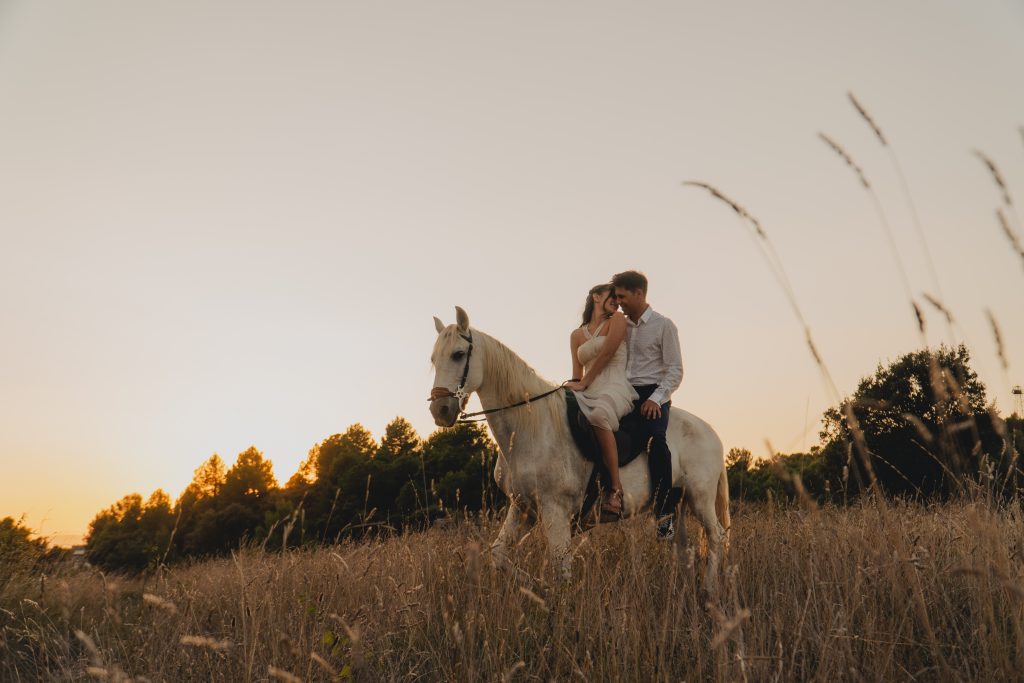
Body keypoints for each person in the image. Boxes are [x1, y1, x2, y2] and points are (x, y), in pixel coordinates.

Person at [611, 270, 684, 540]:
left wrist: (656, 398)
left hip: (653, 393)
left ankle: (664, 519)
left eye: (622, 296)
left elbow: (675, 369)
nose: (618, 301)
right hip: (623, 394)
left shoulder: (664, 325)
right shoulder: (619, 325)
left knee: (657, 443)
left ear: (639, 293)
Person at [565, 284, 639, 517]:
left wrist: (585, 382)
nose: (616, 301)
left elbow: (607, 354)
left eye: (619, 298)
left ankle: (615, 490)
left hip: (614, 387)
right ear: (596, 296)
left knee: (598, 415)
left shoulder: (617, 320)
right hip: (586, 388)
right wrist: (570, 387)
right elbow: (576, 374)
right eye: (612, 296)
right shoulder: (576, 335)